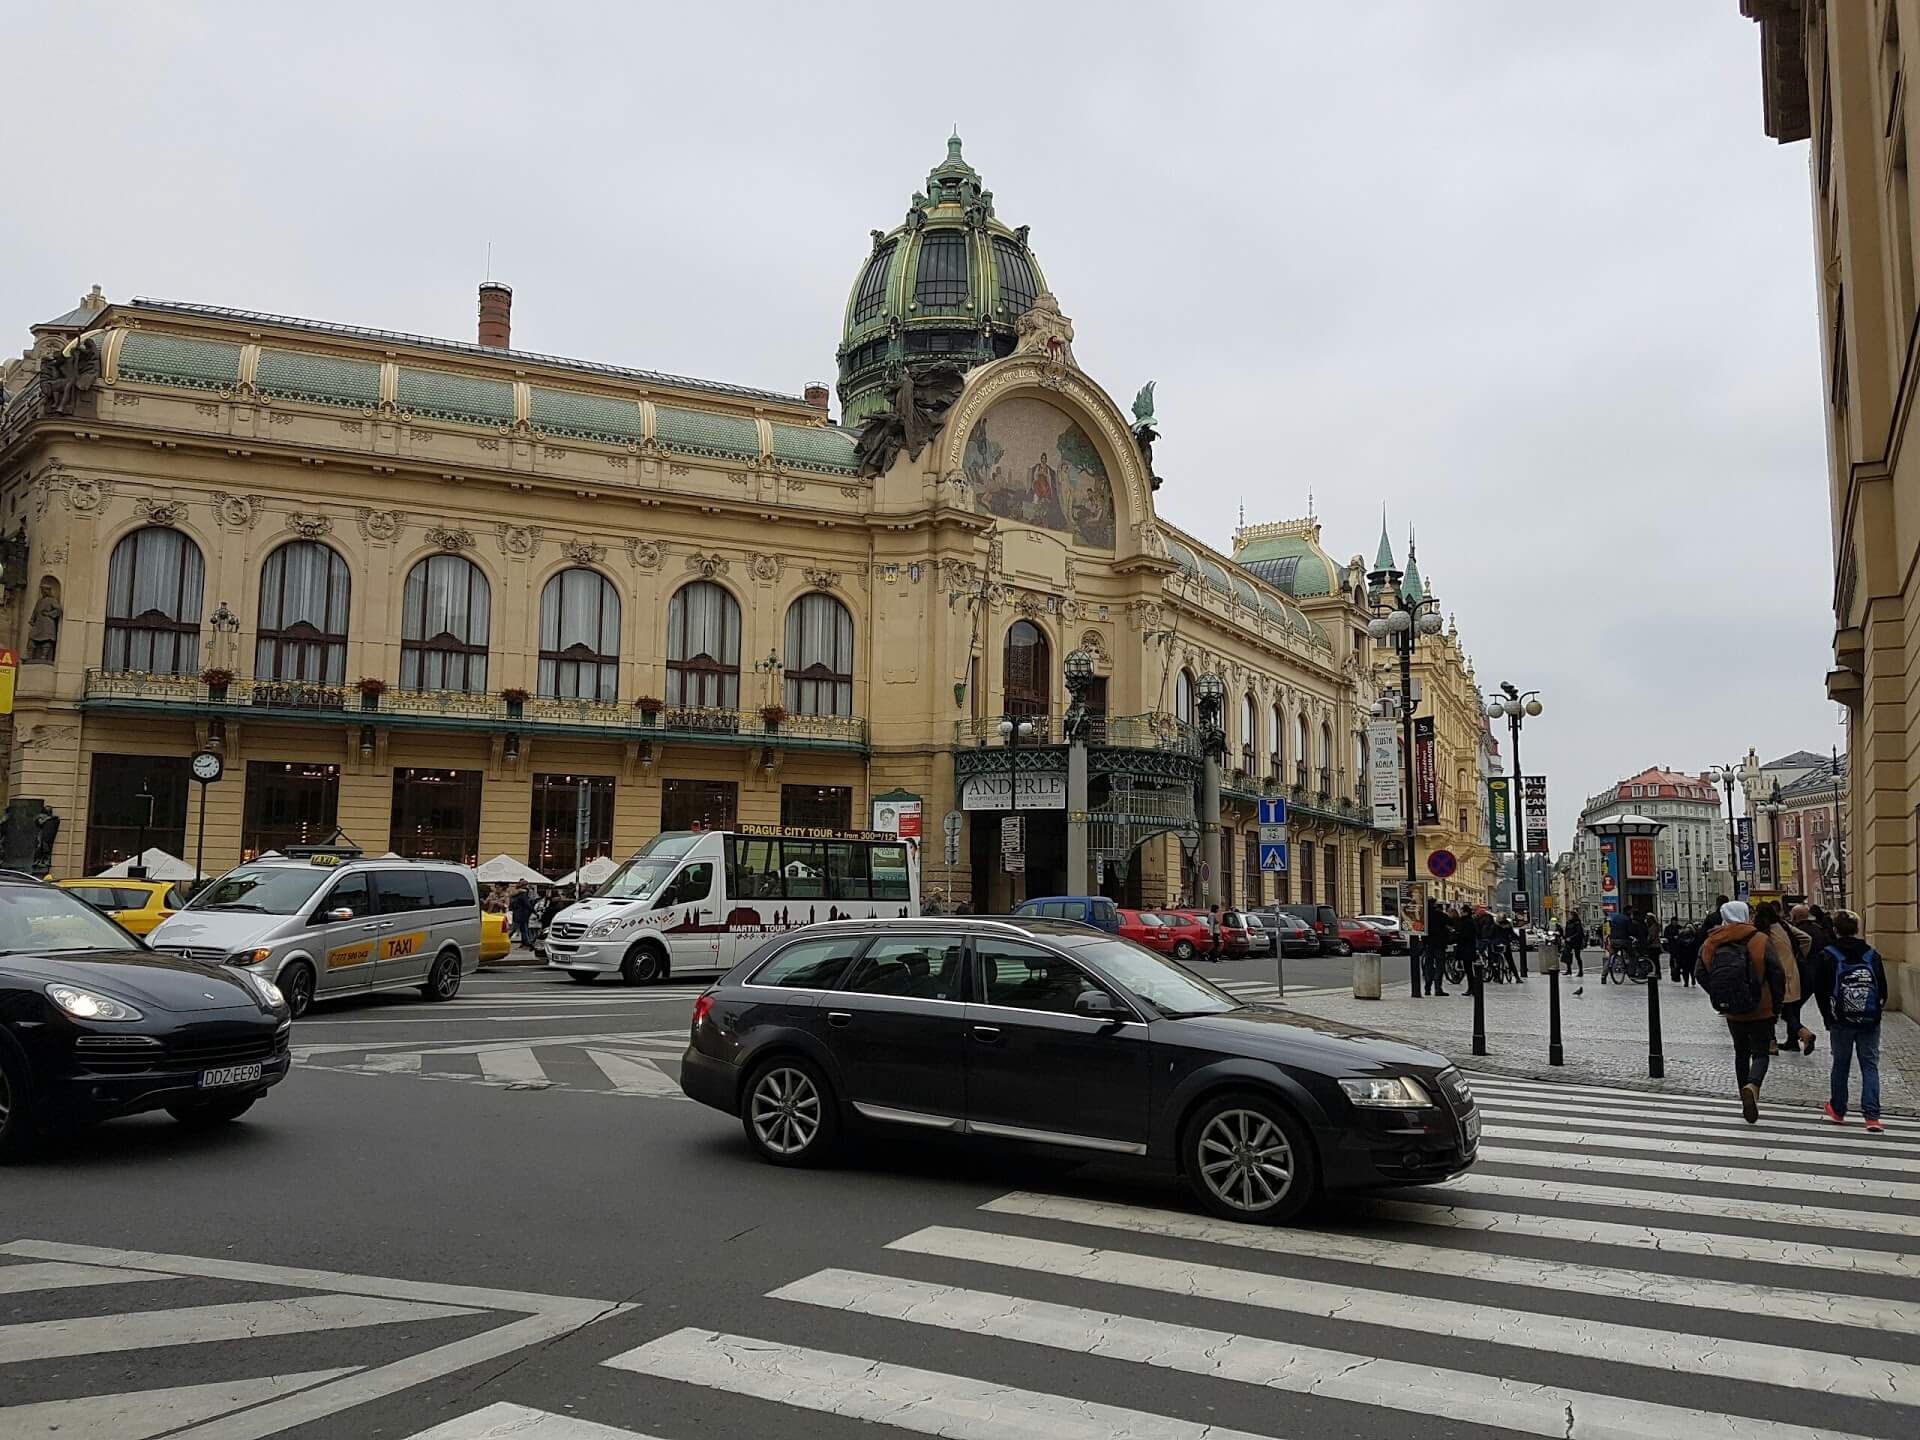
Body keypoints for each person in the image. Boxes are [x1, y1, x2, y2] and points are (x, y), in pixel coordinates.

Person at [1696, 899, 1785, 1124]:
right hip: (1761, 1008)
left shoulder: (1711, 942)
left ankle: (1743, 1096)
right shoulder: (1760, 939)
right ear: (1746, 915)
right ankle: (1752, 1086)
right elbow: (1777, 974)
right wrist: (1777, 1005)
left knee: (1741, 1053)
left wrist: (1718, 993)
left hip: (1732, 1010)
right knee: (1761, 1053)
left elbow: (1700, 973)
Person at [1812, 909, 1888, 1131]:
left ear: (1834, 930)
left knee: (1841, 1064)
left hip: (1841, 1020)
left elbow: (1820, 991)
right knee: (1870, 1065)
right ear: (1857, 930)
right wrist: (1875, 1013)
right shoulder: (1871, 955)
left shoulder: (1827, 955)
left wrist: (1829, 1018)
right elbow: (1883, 989)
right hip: (1869, 1020)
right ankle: (1872, 1116)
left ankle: (1838, 1109)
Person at [1422, 899, 1451, 996]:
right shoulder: (1441, 915)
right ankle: (1438, 988)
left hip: (1428, 944)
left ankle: (1427, 988)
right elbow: (1451, 923)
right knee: (1439, 966)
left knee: (1428, 965)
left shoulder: (1424, 916)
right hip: (1439, 944)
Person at [1563, 913, 1586, 978]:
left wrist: (1571, 938)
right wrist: (1565, 937)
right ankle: (1569, 970)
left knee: (1577, 956)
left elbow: (1579, 933)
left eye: (1570, 915)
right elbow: (1567, 931)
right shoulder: (1568, 922)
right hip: (1569, 941)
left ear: (1573, 916)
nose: (1569, 916)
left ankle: (1580, 971)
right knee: (1567, 955)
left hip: (1576, 942)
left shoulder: (1577, 923)